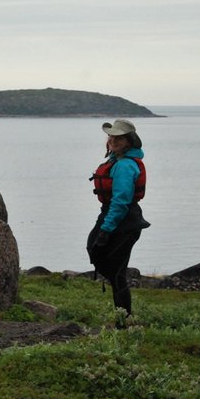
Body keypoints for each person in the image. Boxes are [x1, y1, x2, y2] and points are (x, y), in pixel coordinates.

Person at [86, 119, 150, 326]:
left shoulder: (124, 166)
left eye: (119, 137)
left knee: (116, 272)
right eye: (111, 136)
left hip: (124, 220)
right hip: (113, 216)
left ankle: (124, 320)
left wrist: (106, 230)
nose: (113, 140)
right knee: (98, 253)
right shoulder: (116, 161)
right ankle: (123, 317)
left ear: (129, 141)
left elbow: (121, 201)